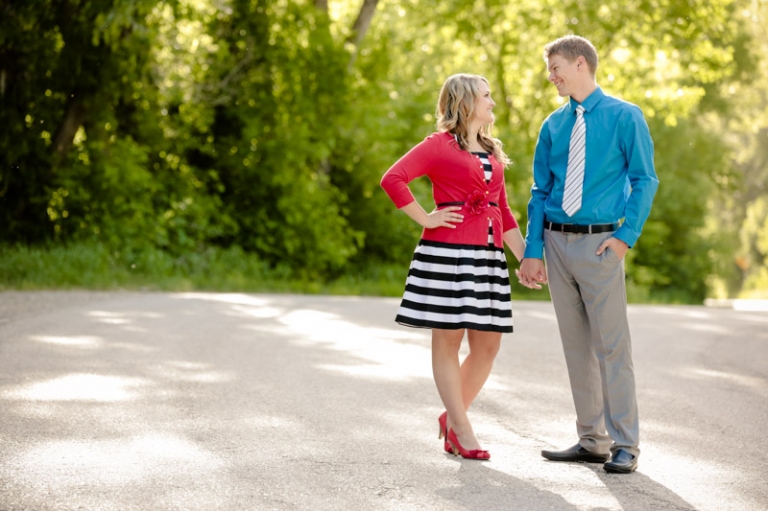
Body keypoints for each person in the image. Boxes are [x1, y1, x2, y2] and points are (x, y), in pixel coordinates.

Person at [518, 35, 659, 473]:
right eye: (549, 69)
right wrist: (533, 250)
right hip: (556, 245)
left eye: (556, 67)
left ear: (581, 63)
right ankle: (591, 439)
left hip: (601, 244)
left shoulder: (624, 116)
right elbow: (540, 192)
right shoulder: (553, 125)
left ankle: (625, 444)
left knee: (612, 347)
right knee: (576, 347)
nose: (551, 76)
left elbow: (645, 179)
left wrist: (625, 237)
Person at [380, 74, 526, 460]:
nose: (493, 102)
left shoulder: (493, 150)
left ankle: (451, 418)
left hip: (488, 255)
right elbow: (392, 179)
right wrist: (425, 219)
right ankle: (462, 428)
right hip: (447, 254)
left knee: (488, 346)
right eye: (486, 96)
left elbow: (504, 211)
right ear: (465, 103)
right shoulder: (438, 146)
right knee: (449, 340)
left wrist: (527, 258)